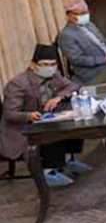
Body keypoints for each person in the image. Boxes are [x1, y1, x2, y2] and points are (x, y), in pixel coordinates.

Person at [1, 44, 91, 187]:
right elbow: (9, 114)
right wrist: (29, 115)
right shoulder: (18, 84)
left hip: (46, 118)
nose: (50, 67)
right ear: (33, 65)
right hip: (23, 128)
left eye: (53, 64)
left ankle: (67, 160)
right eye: (45, 64)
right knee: (51, 130)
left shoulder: (53, 75)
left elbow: (73, 86)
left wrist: (58, 97)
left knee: (76, 118)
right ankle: (49, 171)